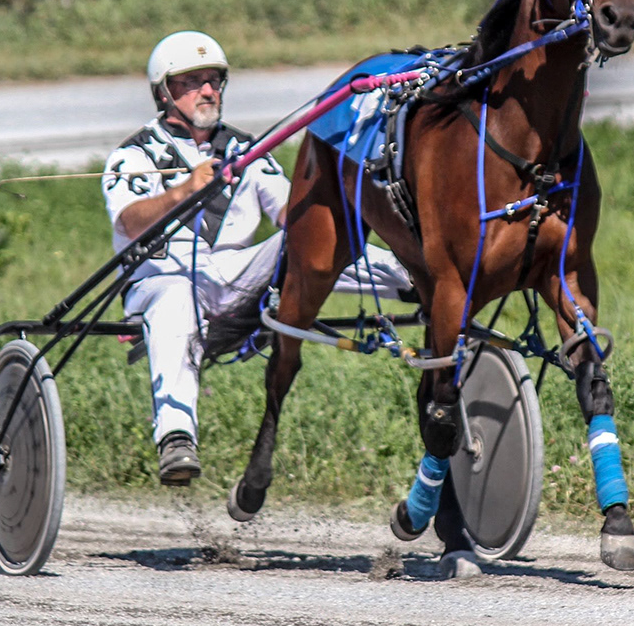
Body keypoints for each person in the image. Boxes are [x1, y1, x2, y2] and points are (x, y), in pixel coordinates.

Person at [105, 31, 411, 486]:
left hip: (234, 275)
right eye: (193, 82)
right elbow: (130, 222)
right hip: (160, 279)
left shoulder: (247, 151)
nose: (209, 90)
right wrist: (186, 188)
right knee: (177, 298)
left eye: (214, 80)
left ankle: (412, 278)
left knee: (312, 243)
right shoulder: (133, 155)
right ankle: (176, 437)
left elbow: (291, 213)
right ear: (164, 92)